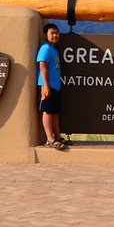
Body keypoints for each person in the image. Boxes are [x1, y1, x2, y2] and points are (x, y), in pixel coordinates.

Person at [37, 22, 70, 151]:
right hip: (47, 86)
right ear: (46, 35)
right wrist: (46, 85)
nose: (55, 35)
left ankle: (57, 136)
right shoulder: (45, 48)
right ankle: (50, 139)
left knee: (55, 112)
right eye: (52, 33)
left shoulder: (53, 49)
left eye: (57, 33)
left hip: (55, 86)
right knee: (48, 111)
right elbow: (42, 67)